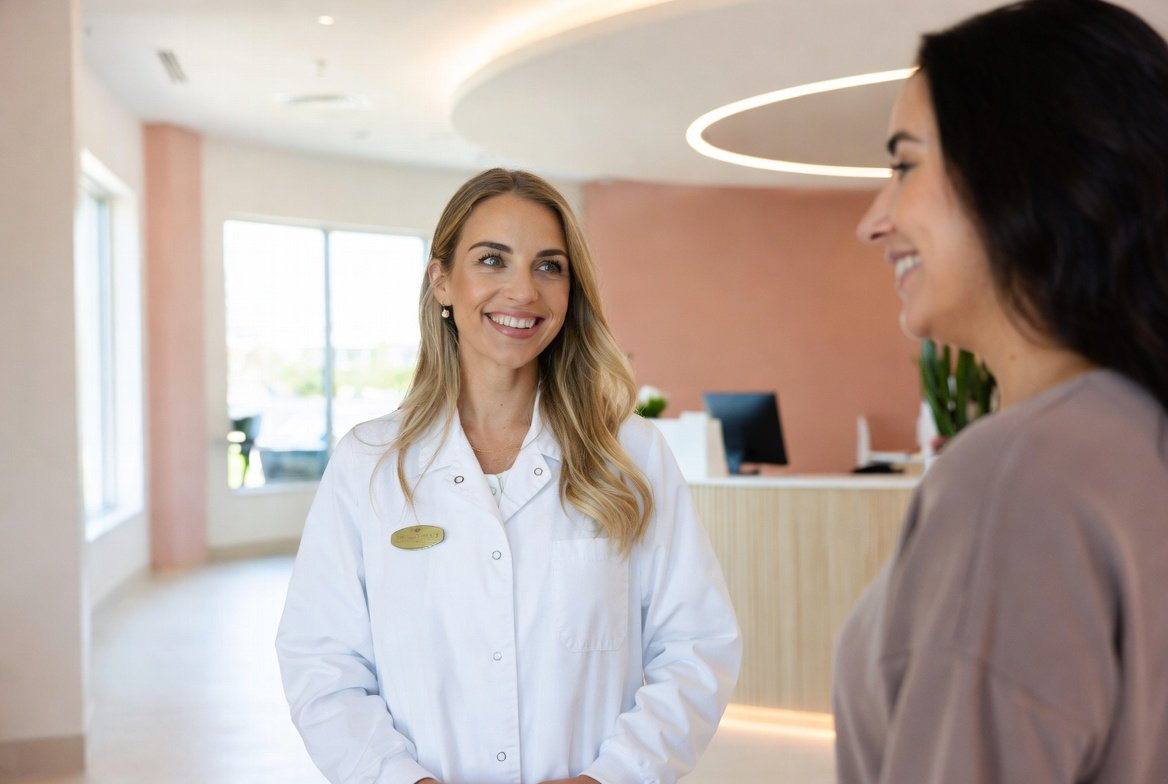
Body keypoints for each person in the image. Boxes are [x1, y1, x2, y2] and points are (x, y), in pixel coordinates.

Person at [276, 168, 740, 784]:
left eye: (549, 266)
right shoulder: (368, 462)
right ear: (442, 280)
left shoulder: (632, 456)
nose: (523, 290)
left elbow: (696, 645)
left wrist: (613, 778)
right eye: (493, 260)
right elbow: (322, 660)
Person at [834, 1, 1168, 782]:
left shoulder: (1022, 474)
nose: (873, 221)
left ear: (1021, 172)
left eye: (906, 164)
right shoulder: (1134, 438)